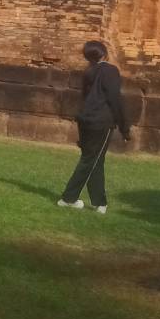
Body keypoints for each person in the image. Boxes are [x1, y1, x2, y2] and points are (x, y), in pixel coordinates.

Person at [58, 41, 131, 214]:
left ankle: (99, 203)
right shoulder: (110, 70)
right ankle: (68, 198)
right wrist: (124, 127)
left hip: (86, 120)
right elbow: (115, 98)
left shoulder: (89, 72)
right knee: (89, 160)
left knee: (96, 160)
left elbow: (85, 98)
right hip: (101, 121)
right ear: (105, 54)